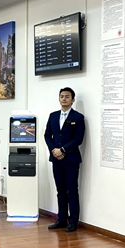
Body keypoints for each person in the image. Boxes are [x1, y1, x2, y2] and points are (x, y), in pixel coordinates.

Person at [44, 87, 86, 232]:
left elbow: (78, 139)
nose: (64, 99)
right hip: (56, 159)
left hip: (71, 160)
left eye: (67, 96)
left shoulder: (78, 117)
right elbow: (47, 135)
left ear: (72, 100)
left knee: (72, 191)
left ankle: (73, 221)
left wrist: (62, 150)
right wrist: (54, 150)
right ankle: (61, 219)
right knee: (60, 190)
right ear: (59, 98)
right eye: (62, 96)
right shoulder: (53, 116)